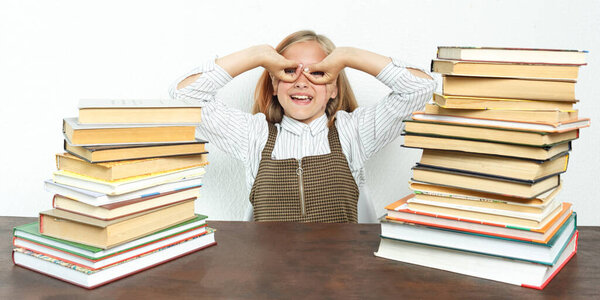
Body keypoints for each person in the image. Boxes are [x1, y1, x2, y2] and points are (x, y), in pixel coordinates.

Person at [170, 30, 436, 223]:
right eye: (289, 72)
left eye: (317, 73)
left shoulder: (353, 133)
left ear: (334, 88)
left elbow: (420, 88)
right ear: (274, 85)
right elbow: (185, 97)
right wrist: (257, 55)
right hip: (270, 283)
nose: (301, 81)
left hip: (343, 282)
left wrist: (348, 55)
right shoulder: (254, 136)